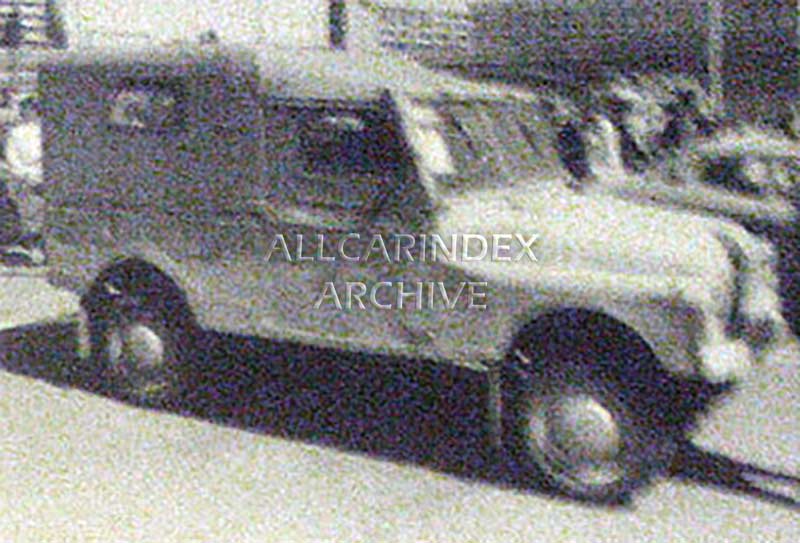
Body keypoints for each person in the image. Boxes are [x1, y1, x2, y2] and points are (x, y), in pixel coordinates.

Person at [3, 95, 45, 264]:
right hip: (24, 179)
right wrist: (27, 175)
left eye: (32, 109)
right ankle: (33, 249)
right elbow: (12, 158)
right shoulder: (16, 133)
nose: (28, 113)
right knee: (30, 215)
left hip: (44, 177)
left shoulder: (45, 131)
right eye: (26, 109)